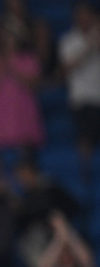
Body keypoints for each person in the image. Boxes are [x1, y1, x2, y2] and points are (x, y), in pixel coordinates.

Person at [0, 26, 45, 150]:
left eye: (11, 38)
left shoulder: (28, 59)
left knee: (24, 146)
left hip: (23, 107)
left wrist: (14, 70)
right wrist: (1, 69)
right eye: (5, 38)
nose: (8, 41)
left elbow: (34, 84)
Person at [60, 2, 100, 155]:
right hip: (81, 98)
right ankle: (85, 168)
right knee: (85, 138)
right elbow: (67, 68)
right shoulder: (68, 40)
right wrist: (89, 45)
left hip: (98, 95)